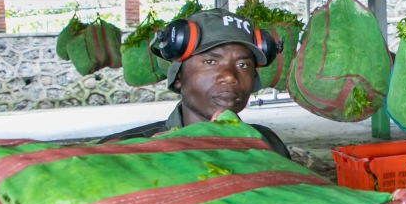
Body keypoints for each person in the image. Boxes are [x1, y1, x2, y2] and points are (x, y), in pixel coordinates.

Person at [104, 8, 291, 158]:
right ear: (178, 78)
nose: (230, 77)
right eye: (210, 62)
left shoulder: (268, 144)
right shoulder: (124, 152)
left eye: (243, 64)